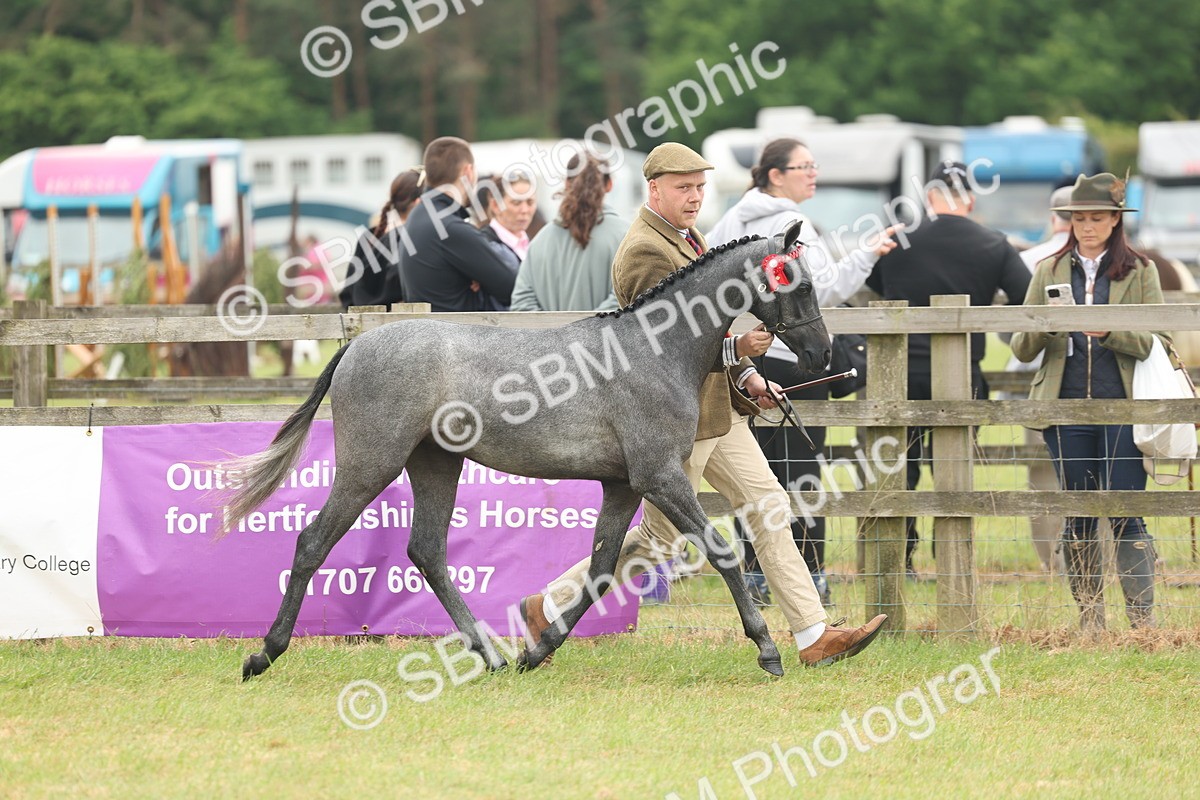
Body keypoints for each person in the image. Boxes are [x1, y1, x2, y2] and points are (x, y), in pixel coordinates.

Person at [517, 142, 887, 668]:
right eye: (683, 188)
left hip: (718, 412)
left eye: (700, 187)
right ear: (654, 189)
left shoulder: (691, 239)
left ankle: (813, 634)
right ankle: (548, 606)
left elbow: (711, 330)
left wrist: (749, 375)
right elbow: (660, 347)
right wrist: (739, 351)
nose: (694, 197)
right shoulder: (644, 251)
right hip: (674, 420)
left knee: (769, 508)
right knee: (660, 539)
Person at [706, 137, 898, 606]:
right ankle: (810, 576)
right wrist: (868, 253)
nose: (813, 174)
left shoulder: (730, 220)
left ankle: (756, 576)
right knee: (802, 475)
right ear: (776, 175)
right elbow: (821, 289)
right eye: (804, 167)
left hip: (743, 359)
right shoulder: (792, 225)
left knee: (754, 474)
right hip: (794, 358)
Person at [1011, 172, 1165, 631]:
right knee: (1077, 514)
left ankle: (1142, 622)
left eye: (1097, 218)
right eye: (1079, 218)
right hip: (1065, 410)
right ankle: (1090, 618)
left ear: (1116, 220)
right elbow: (1021, 347)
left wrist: (1110, 331)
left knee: (1126, 512)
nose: (1087, 226)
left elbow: (1157, 339)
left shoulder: (1141, 270)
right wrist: (1048, 325)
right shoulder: (1049, 270)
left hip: (1125, 409)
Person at [867, 160, 1031, 575]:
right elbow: (1026, 296)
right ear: (970, 200)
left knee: (897, 468)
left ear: (929, 197)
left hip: (898, 371)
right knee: (952, 470)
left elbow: (873, 287)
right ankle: (952, 560)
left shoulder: (898, 239)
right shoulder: (994, 244)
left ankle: (898, 559)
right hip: (961, 374)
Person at [1007, 185, 1075, 571]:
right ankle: (1095, 557)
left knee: (1043, 470)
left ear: (1053, 218)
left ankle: (1050, 560)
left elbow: (1009, 330)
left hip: (1034, 380)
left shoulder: (1029, 259)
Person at [398, 137, 517, 312]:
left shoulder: (417, 216)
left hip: (427, 326)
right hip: (454, 328)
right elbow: (512, 289)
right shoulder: (450, 228)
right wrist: (483, 281)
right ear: (468, 172)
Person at [510, 153, 627, 312]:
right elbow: (628, 298)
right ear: (609, 185)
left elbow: (522, 305)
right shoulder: (628, 237)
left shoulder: (540, 240)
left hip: (546, 330)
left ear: (566, 183)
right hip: (606, 330)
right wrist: (587, 325)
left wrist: (556, 328)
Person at [339, 167, 424, 309]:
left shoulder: (369, 237)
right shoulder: (411, 240)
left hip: (359, 321)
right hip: (400, 321)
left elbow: (347, 296)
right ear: (418, 203)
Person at [473, 172, 535, 311]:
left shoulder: (536, 245)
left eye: (530, 202)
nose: (525, 210)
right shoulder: (483, 246)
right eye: (516, 203)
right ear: (496, 205)